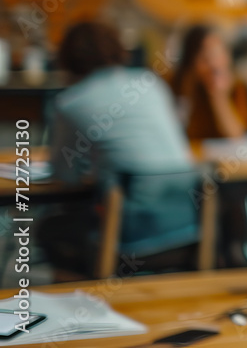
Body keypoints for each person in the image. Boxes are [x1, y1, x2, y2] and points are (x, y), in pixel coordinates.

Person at [41, 21, 196, 275]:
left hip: (126, 235)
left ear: (66, 59)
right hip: (186, 228)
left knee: (49, 228)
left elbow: (64, 176)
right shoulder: (150, 82)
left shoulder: (70, 102)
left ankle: (72, 303)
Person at [171, 24, 247, 140]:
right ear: (191, 62)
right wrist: (188, 88)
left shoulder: (238, 87)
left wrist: (219, 97)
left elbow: (237, 137)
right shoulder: (177, 87)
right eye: (205, 57)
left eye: (218, 53)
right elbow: (177, 134)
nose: (213, 64)